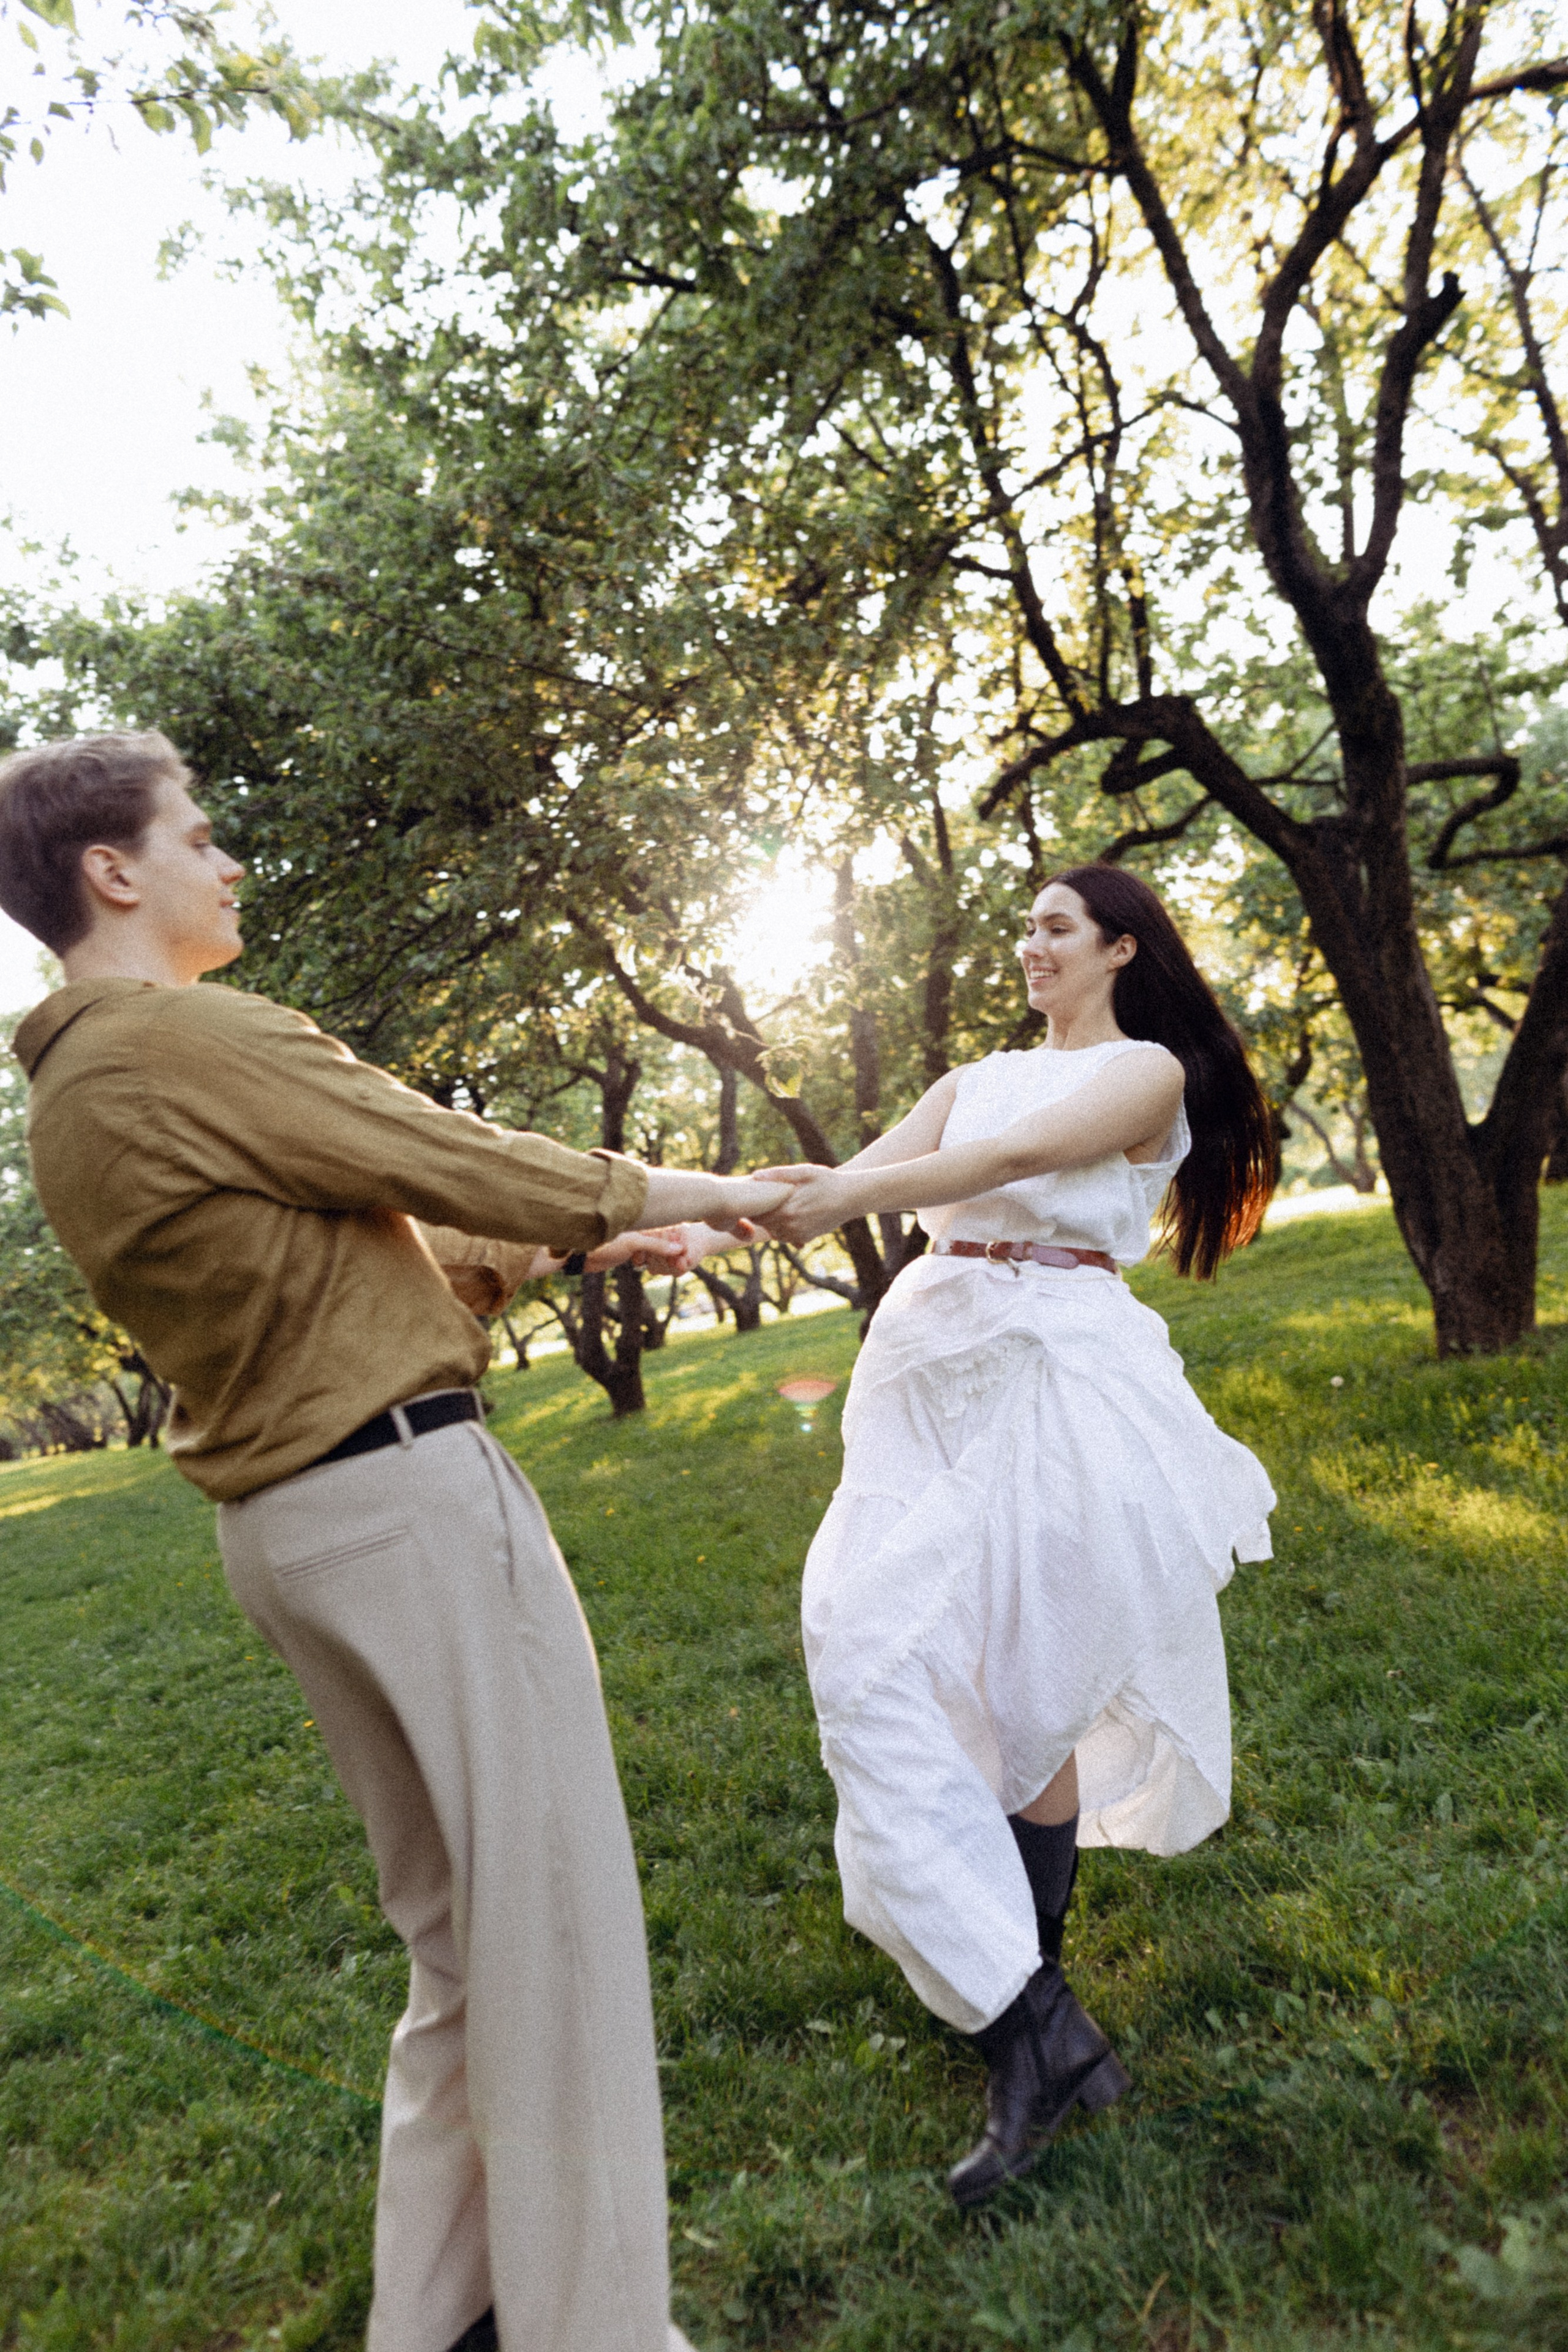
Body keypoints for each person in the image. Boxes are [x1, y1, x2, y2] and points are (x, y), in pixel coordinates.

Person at [0, 731, 791, 2352]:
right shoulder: (185, 1035)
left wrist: (583, 1236)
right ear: (112, 871)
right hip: (407, 1505)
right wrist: (695, 1181)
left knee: (457, 1955)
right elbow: (437, 1150)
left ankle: (437, 2324)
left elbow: (340, 1273)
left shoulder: (73, 1096)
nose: (231, 867)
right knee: (555, 1938)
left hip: (298, 1526)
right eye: (203, 839)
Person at [756, 866, 1277, 2207]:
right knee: (861, 1651)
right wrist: (709, 1216)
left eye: (1055, 926)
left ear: (1116, 946)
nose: (1030, 945)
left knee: (1023, 1696)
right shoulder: (974, 1070)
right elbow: (865, 1172)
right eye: (1028, 927)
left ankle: (1024, 2024)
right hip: (927, 1362)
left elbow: (998, 1167)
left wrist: (839, 1199)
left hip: (1055, 1364)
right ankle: (1033, 2017)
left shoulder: (1145, 1071)